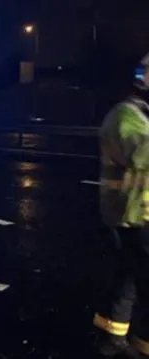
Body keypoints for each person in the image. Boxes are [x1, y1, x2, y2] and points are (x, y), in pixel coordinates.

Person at [94, 53, 149, 357]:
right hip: (130, 213)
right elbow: (143, 155)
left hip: (137, 213)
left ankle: (112, 335)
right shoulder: (125, 115)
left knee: (128, 274)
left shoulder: (142, 114)